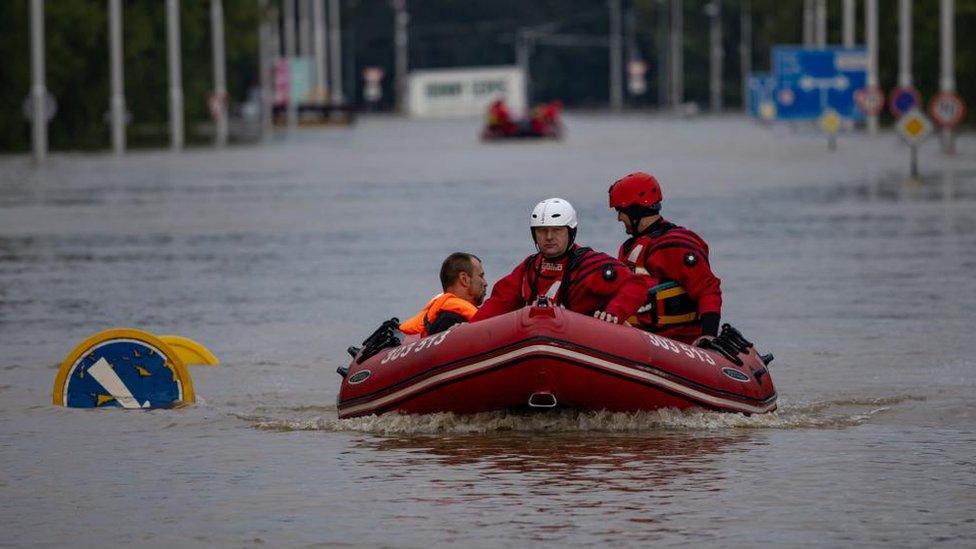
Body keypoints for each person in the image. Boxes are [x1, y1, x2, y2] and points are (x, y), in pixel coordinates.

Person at [472, 198, 648, 323]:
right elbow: (499, 302)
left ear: (571, 232)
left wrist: (613, 312)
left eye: (556, 230)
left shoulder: (590, 265)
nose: (549, 237)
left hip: (583, 345)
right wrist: (470, 328)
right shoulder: (530, 268)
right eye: (542, 231)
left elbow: (636, 286)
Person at [608, 171, 722, 344]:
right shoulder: (628, 248)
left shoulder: (675, 245)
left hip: (677, 340)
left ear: (635, 210)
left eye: (620, 211)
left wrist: (709, 334)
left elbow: (707, 289)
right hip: (638, 336)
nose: (618, 218)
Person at [400, 252, 487, 338]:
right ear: (464, 279)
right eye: (481, 276)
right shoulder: (450, 320)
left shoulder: (442, 315)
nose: (485, 283)